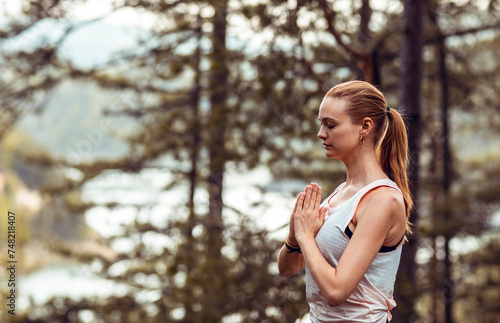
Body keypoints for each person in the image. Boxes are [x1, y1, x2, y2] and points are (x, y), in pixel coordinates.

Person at [277, 80, 413, 322]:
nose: (321, 133)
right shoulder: (341, 193)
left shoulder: (383, 199)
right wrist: (295, 234)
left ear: (365, 127)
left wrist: (307, 236)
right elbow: (287, 269)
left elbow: (336, 291)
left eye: (331, 125)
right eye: (321, 124)